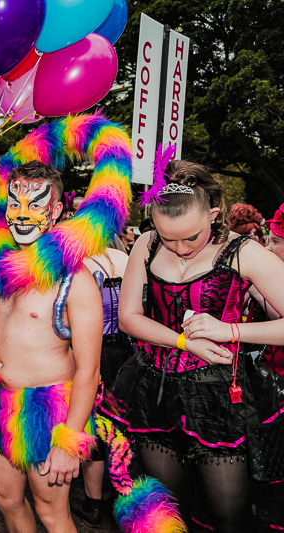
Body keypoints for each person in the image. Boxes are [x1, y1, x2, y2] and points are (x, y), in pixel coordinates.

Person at [105, 157, 284, 532]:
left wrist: (229, 330)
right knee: (168, 510)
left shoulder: (243, 252)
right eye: (167, 237)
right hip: (154, 388)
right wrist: (184, 342)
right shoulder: (148, 244)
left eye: (190, 237)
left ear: (213, 214)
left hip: (220, 398)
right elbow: (129, 318)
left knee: (228, 516)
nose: (179, 248)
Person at [0, 161, 102, 533]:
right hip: (5, 402)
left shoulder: (75, 279)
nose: (24, 214)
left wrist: (69, 440)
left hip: (51, 412)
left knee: (51, 511)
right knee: (6, 498)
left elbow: (89, 369)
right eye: (15, 204)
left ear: (58, 211)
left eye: (36, 204)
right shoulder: (2, 268)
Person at [72, 243, 130, 527]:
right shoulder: (125, 258)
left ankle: (93, 504)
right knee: (123, 428)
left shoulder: (77, 264)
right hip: (129, 353)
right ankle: (123, 498)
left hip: (90, 353)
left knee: (92, 424)